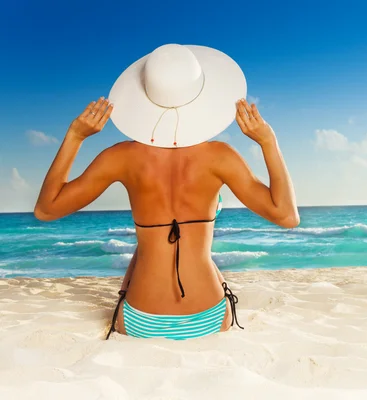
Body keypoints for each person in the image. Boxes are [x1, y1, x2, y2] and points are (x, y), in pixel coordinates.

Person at [34, 44, 299, 340]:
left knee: (148, 242)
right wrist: (267, 142)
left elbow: (47, 209)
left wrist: (75, 136)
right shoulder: (221, 157)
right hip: (208, 315)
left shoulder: (121, 157)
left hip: (140, 319)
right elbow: (287, 216)